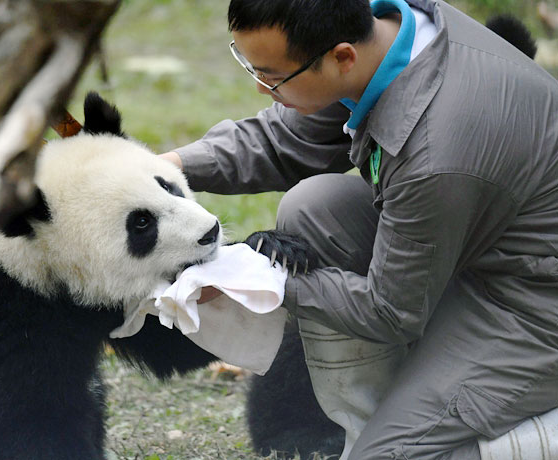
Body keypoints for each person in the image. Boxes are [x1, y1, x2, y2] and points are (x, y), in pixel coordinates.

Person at [160, 0, 558, 458]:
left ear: (341, 58)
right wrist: (165, 168)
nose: (259, 87)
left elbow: (391, 310)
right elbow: (284, 141)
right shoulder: (385, 35)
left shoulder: (434, 149)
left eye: (273, 77)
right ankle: (377, 422)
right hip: (477, 247)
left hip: (530, 305)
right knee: (314, 209)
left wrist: (257, 279)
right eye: (252, 66)